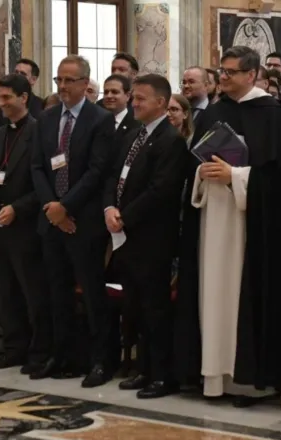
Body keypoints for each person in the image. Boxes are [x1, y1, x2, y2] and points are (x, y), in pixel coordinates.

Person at [174, 46, 281, 406]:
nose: (225, 77)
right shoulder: (213, 113)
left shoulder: (275, 115)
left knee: (240, 294)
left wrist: (236, 175)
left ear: (251, 75)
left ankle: (249, 381)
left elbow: (279, 177)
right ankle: (213, 375)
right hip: (212, 215)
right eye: (222, 71)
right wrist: (201, 173)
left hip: (249, 224)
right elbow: (193, 163)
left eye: (231, 72)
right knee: (210, 292)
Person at [30, 55, 115, 386]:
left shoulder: (100, 120)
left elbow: (97, 171)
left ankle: (101, 360)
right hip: (52, 220)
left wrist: (66, 207)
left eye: (69, 81)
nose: (62, 87)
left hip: (84, 222)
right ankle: (62, 355)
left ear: (85, 83)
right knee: (57, 292)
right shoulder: (47, 119)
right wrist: (52, 207)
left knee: (92, 294)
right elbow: (38, 166)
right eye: (58, 81)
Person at [103, 74, 188, 399]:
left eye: (140, 98)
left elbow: (161, 190)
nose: (134, 103)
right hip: (124, 236)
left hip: (152, 238)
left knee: (155, 309)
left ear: (161, 103)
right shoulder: (132, 135)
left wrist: (125, 216)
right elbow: (114, 174)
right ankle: (143, 368)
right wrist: (109, 207)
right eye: (134, 98)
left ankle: (161, 375)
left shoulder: (171, 140)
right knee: (134, 306)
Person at [0, 75, 50, 373]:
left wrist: (17, 209)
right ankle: (13, 348)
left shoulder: (39, 132)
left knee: (32, 293)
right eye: (0, 97)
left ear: (24, 97)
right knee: (5, 293)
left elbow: (43, 185)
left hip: (27, 227)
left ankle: (39, 351)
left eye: (7, 97)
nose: (3, 103)